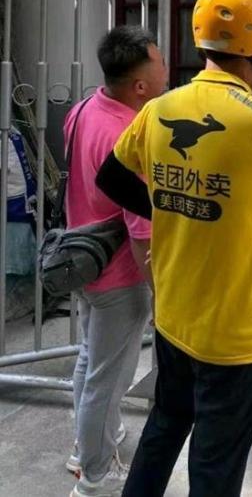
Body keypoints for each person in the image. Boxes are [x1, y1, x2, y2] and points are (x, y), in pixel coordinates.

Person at [95, 0, 252, 497]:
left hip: (174, 314)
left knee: (164, 426)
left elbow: (110, 177)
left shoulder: (160, 108)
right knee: (215, 464)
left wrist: (168, 208)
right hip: (239, 333)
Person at [66, 26, 167, 497]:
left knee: (91, 360)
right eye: (160, 63)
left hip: (83, 258)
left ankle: (88, 443)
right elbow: (142, 232)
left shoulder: (84, 108)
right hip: (120, 275)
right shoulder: (132, 137)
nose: (167, 69)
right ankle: (94, 475)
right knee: (107, 380)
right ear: (140, 85)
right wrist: (160, 295)